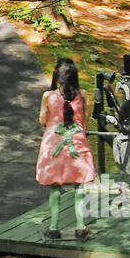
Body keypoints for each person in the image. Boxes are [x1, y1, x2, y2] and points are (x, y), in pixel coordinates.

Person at [36, 57, 96, 240]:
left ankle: (54, 227)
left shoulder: (48, 96)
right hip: (77, 143)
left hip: (53, 144)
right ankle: (80, 225)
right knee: (79, 185)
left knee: (55, 187)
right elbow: (85, 120)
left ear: (57, 75)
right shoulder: (83, 94)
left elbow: (42, 120)